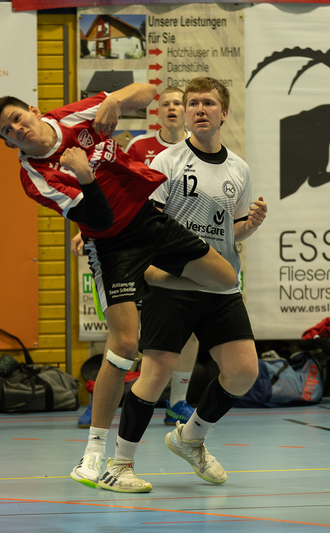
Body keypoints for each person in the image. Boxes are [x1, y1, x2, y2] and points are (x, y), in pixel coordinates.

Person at [0, 84, 238, 490]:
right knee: (124, 344)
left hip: (148, 220)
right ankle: (93, 454)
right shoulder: (35, 176)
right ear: (8, 142)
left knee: (225, 278)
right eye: (8, 131)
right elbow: (99, 218)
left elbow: (148, 91)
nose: (17, 129)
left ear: (33, 111)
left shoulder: (72, 117)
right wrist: (84, 175)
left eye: (17, 119)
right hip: (110, 245)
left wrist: (114, 100)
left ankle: (149, 278)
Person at [97, 76, 266, 493]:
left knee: (243, 372)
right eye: (193, 103)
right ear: (186, 113)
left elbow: (230, 232)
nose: (199, 109)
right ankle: (118, 465)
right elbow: (147, 229)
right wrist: (150, 272)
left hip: (220, 288)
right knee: (156, 372)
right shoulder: (166, 162)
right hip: (172, 285)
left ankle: (190, 438)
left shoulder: (238, 169)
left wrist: (251, 225)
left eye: (208, 103)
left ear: (224, 113)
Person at [73, 86, 197, 429]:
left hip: (177, 243)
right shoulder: (139, 147)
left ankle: (178, 402)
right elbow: (110, 188)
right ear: (157, 111)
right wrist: (86, 231)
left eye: (178, 103)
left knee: (190, 321)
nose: (172, 108)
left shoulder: (198, 148)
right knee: (123, 330)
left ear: (186, 111)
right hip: (137, 243)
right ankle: (102, 400)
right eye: (166, 103)